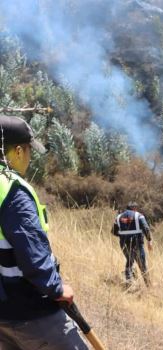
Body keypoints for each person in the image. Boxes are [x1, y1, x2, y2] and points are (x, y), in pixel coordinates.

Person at [0, 115, 88, 349]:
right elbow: (31, 253)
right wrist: (57, 288)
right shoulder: (13, 191)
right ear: (17, 151)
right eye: (29, 150)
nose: (30, 157)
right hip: (29, 311)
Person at [112, 201, 153, 287]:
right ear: (135, 208)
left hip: (123, 243)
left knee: (129, 260)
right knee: (142, 264)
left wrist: (123, 235)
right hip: (136, 242)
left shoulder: (118, 217)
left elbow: (113, 232)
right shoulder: (139, 216)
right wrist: (149, 240)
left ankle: (129, 282)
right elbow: (146, 228)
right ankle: (148, 285)